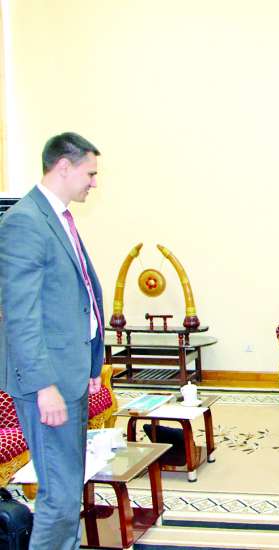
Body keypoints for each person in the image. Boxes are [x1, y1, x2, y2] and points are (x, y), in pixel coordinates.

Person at [0, 132, 105, 549]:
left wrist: (93, 363)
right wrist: (44, 386)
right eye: (90, 173)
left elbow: (79, 297)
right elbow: (20, 315)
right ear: (64, 166)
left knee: (67, 488)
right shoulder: (25, 222)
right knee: (59, 496)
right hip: (47, 382)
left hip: (70, 373)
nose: (94, 182)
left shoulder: (58, 217)